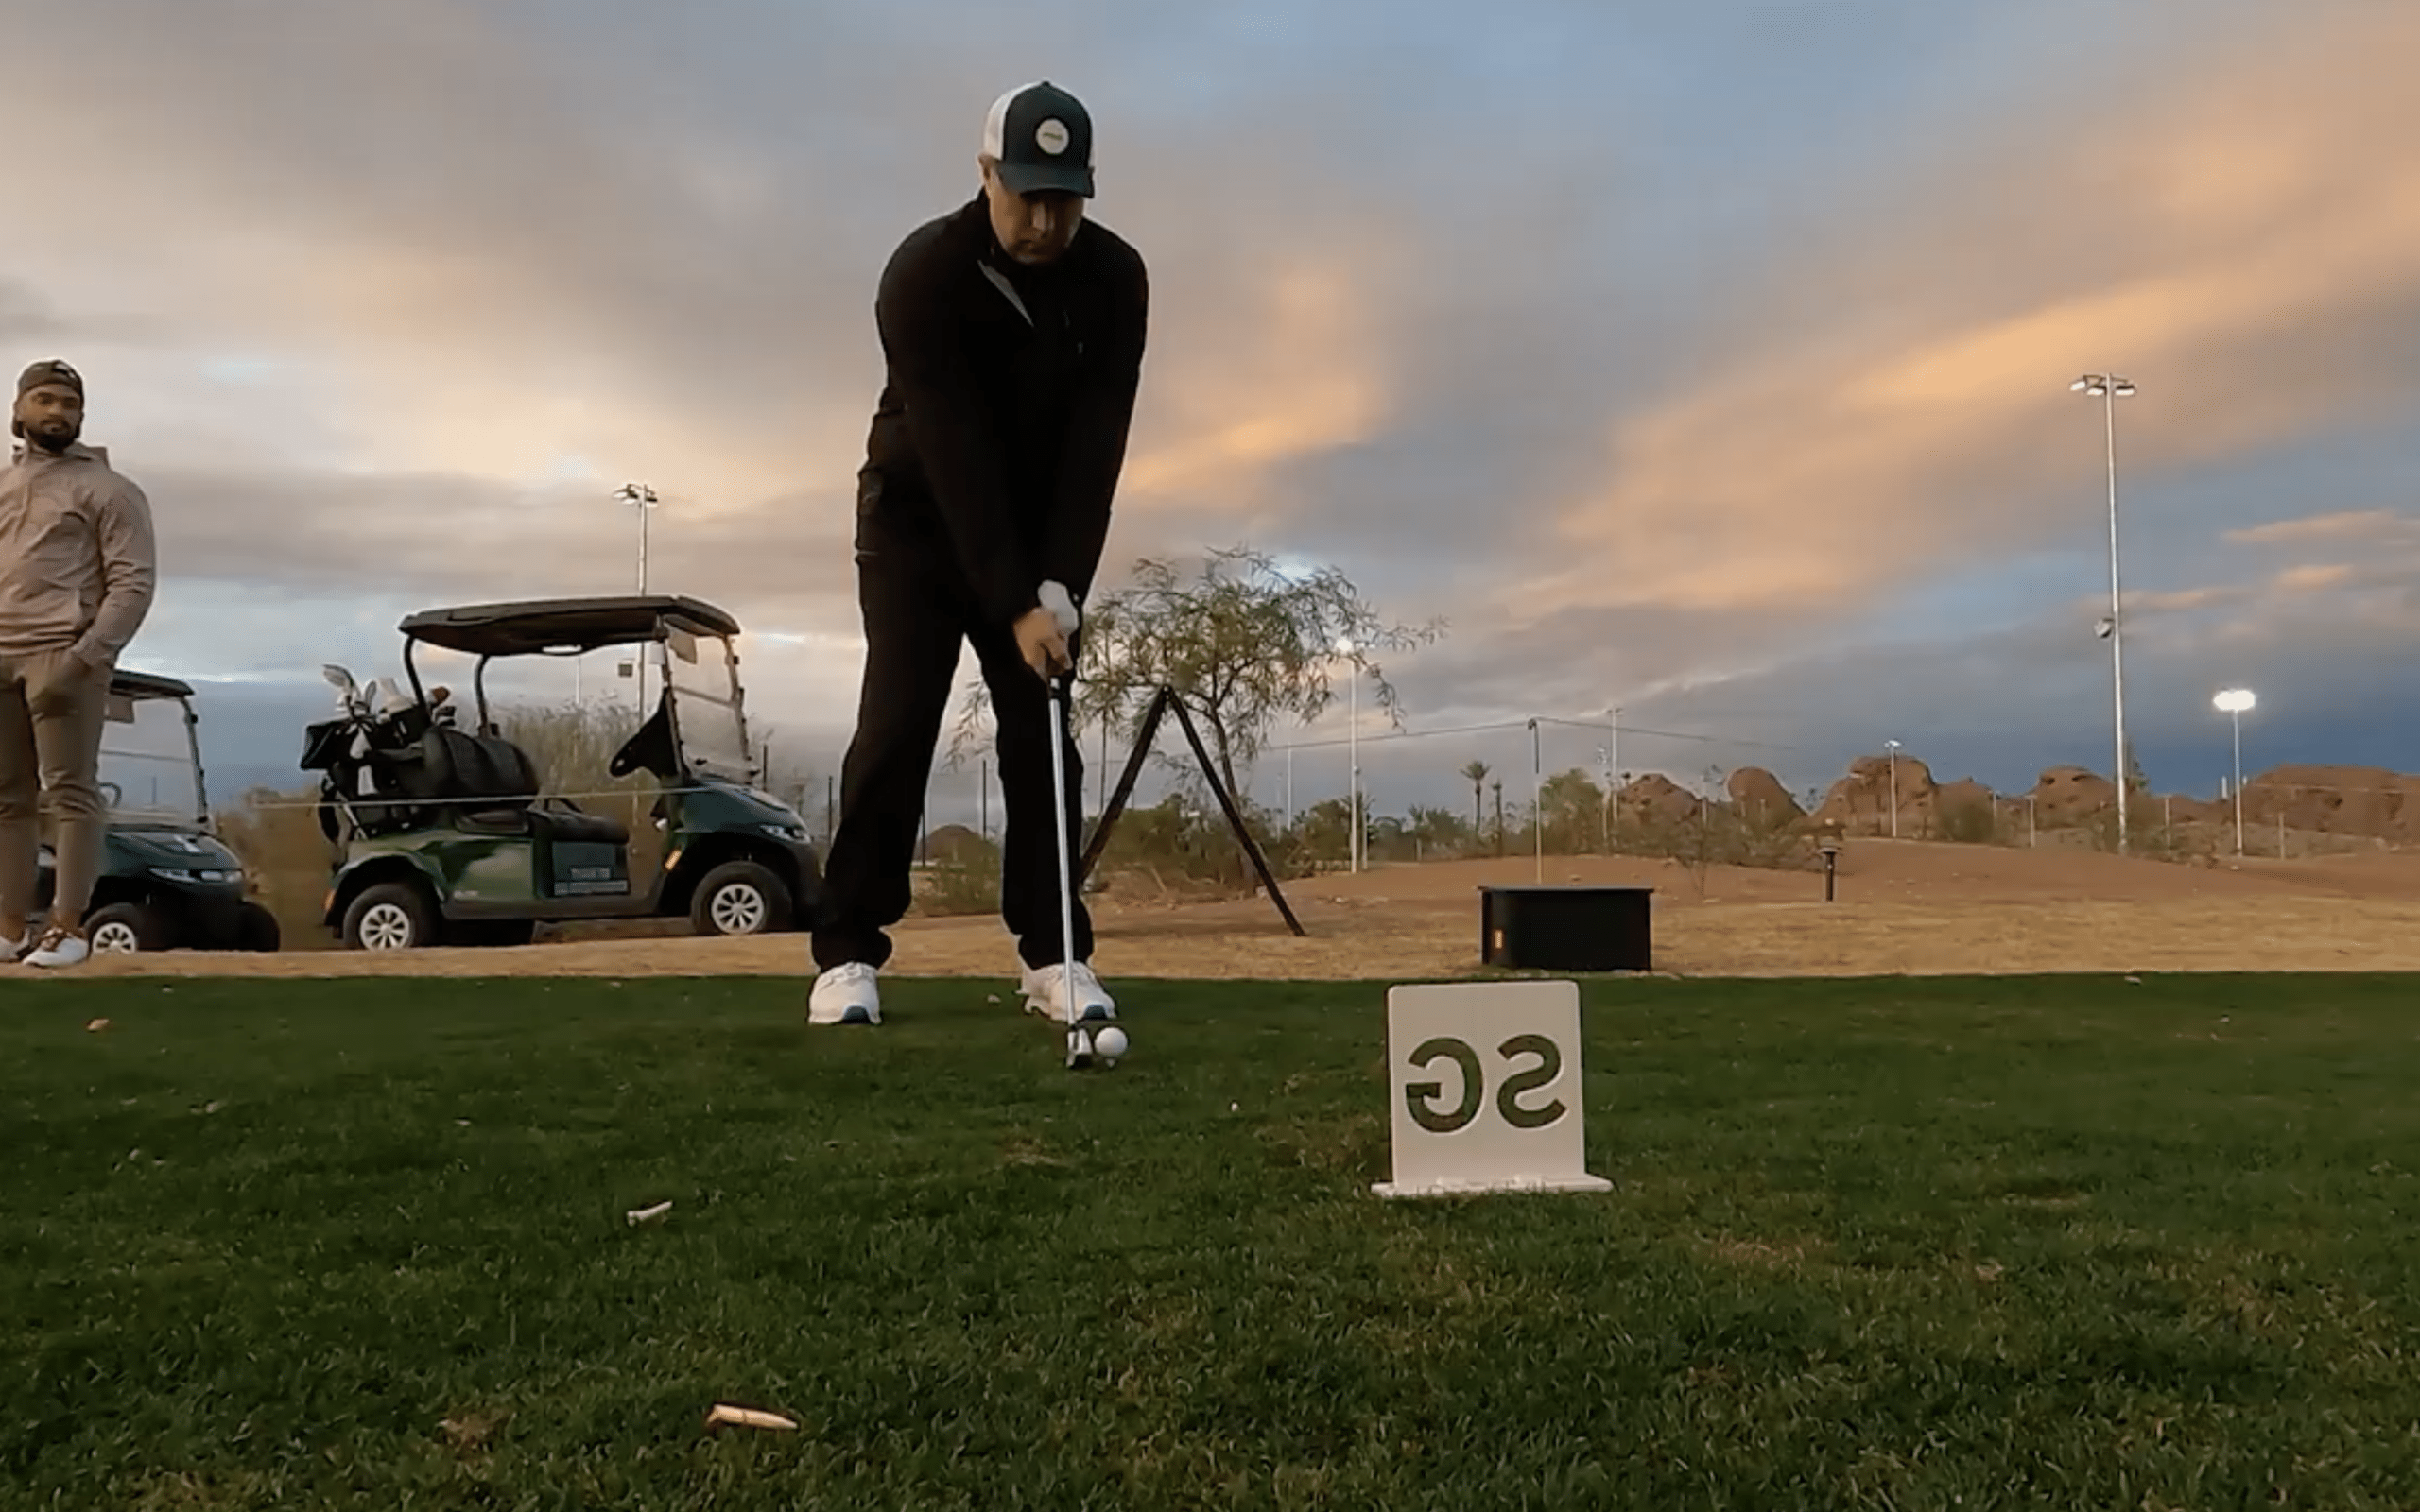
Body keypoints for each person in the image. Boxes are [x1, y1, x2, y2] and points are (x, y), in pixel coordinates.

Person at [807, 80, 1149, 1028]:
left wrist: (1060, 588)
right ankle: (845, 954)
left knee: (1044, 737)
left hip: (1037, 534)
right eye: (1027, 193)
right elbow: (954, 449)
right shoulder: (924, 274)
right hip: (916, 518)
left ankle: (1055, 954)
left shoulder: (1116, 278)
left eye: (1066, 198)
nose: (1045, 219)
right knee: (900, 721)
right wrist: (1014, 599)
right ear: (985, 173)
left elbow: (1096, 445)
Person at [0, 359, 158, 968]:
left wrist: (85, 657)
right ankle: (11, 927)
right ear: (18, 412)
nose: (57, 411)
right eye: (44, 400)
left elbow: (133, 585)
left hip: (62, 657)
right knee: (8, 799)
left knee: (70, 793)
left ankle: (66, 927)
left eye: (69, 403)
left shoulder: (109, 490)